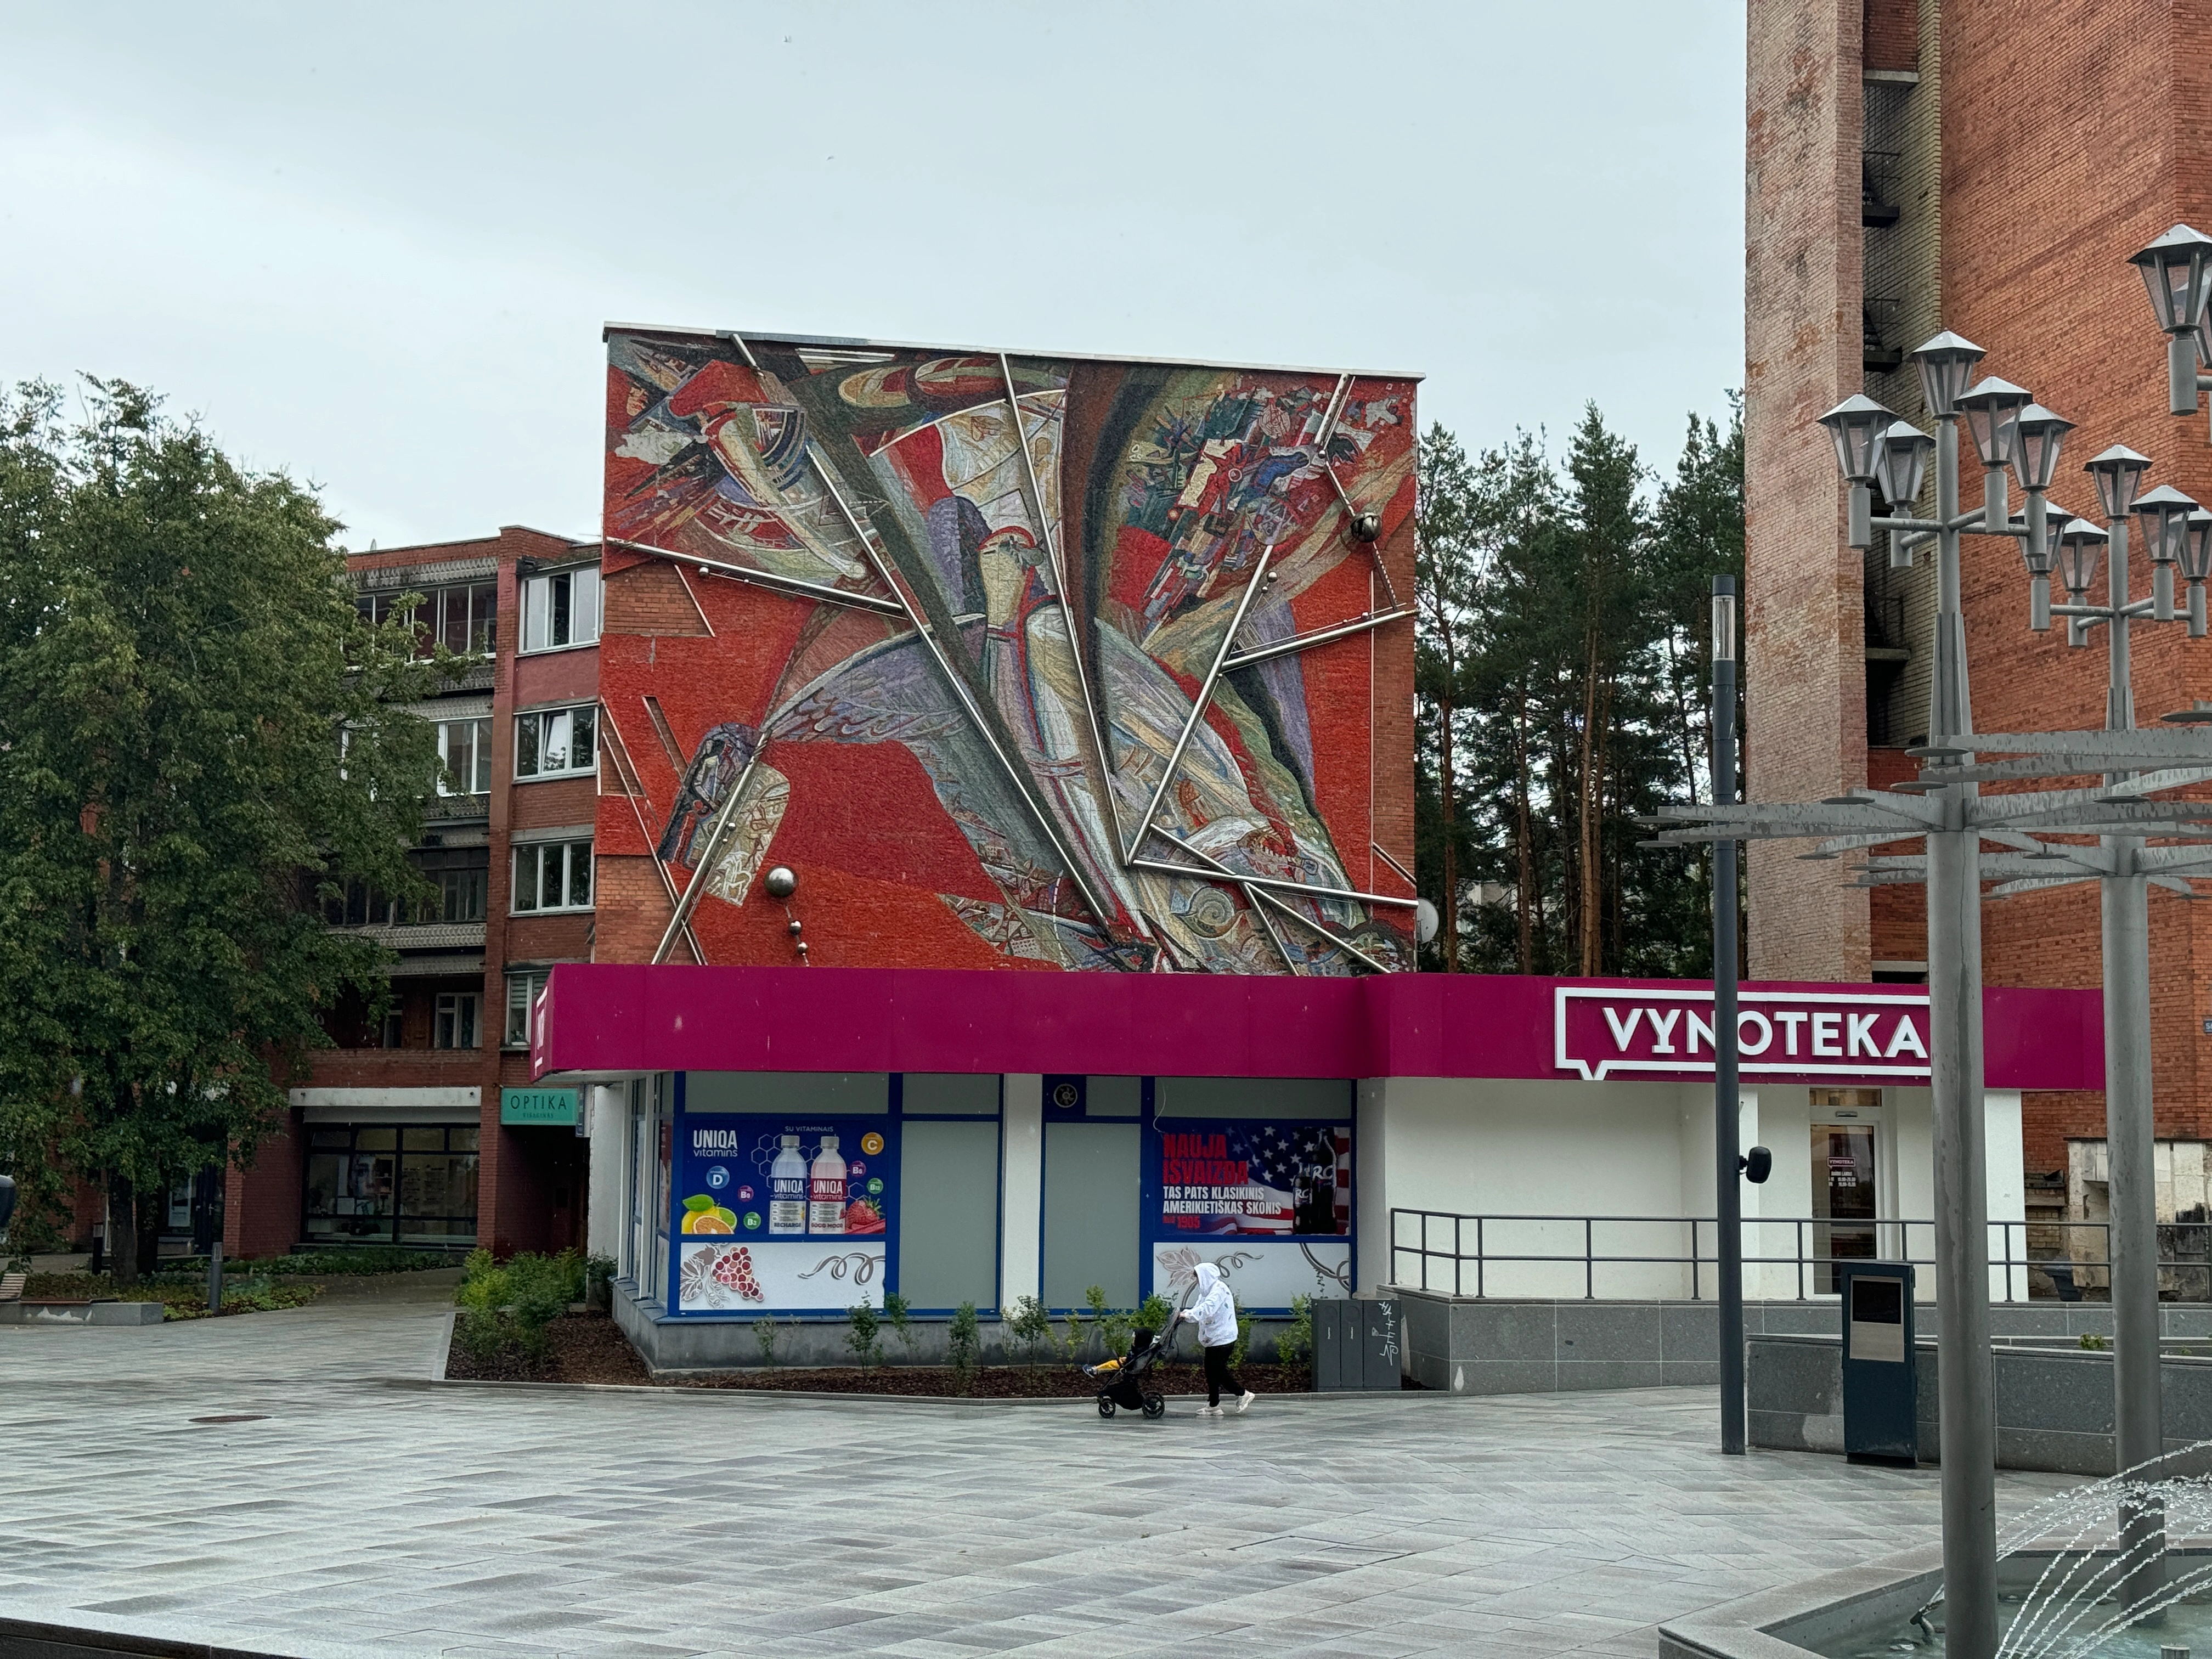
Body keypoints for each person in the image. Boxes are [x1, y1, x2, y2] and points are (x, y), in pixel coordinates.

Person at [1177, 1262, 1254, 1416]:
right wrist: (1186, 1314)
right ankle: (1214, 1405)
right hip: (1215, 1338)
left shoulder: (1219, 1290)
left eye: (1198, 1277)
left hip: (1223, 1338)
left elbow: (1207, 1309)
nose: (1197, 1280)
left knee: (1217, 1371)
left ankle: (1243, 1394)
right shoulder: (1207, 1292)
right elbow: (1199, 1307)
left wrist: (1188, 1315)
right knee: (1211, 1371)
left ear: (1205, 1276)